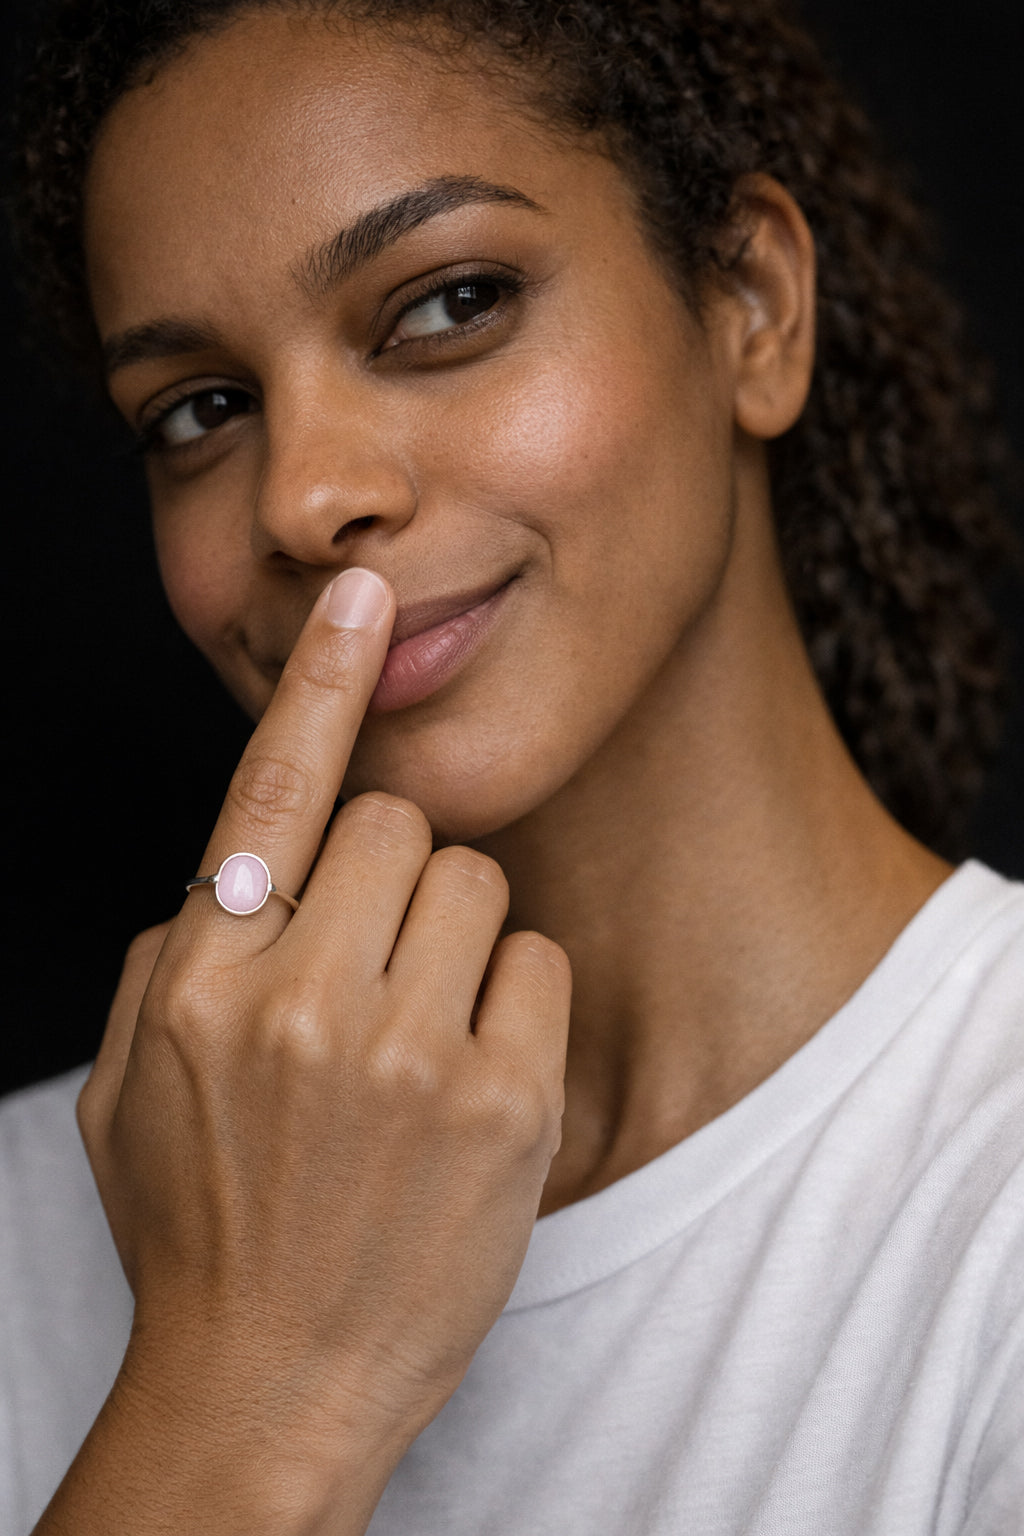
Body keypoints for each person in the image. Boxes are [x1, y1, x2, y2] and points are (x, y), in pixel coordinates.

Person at [2, 0, 1021, 1531]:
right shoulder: (30, 1228)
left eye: (447, 305)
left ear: (752, 306)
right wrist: (235, 1377)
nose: (301, 497)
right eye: (200, 411)